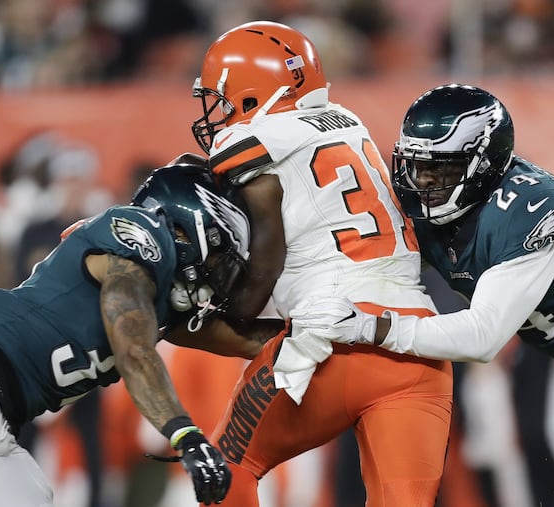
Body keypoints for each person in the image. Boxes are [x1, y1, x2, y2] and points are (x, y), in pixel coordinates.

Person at [289, 83, 554, 507]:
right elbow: (370, 270)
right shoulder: (436, 208)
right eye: (416, 166)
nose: (423, 182)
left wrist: (373, 327)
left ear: (484, 166)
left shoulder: (530, 207)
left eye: (441, 170)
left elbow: (483, 336)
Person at [191, 21, 453, 507]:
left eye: (222, 98)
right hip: (420, 345)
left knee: (224, 473)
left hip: (333, 341)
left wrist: (227, 311)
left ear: (250, 96)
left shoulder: (252, 137)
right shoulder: (346, 121)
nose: (218, 112)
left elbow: (265, 264)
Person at [0, 162, 249, 506]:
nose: (219, 271)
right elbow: (134, 352)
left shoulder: (163, 303)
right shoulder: (138, 238)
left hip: (4, 419)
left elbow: (249, 340)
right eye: (219, 252)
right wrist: (185, 433)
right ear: (186, 229)